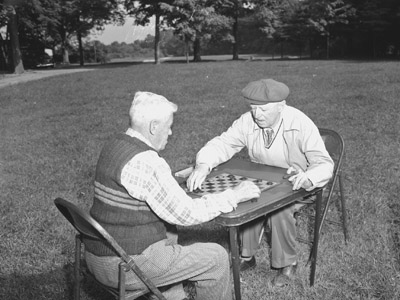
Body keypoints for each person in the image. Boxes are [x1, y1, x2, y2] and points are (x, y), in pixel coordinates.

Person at [84, 91, 261, 300]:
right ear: (153, 127)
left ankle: (174, 297)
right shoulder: (148, 161)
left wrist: (172, 180)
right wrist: (234, 195)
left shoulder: (115, 144)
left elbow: (140, 189)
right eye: (168, 127)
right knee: (217, 257)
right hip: (123, 267)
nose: (170, 133)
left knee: (169, 231)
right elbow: (187, 214)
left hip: (96, 254)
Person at [187, 78, 334, 287]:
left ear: (281, 106)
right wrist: (203, 164)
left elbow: (324, 163)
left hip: (299, 184)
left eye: (263, 110)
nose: (257, 115)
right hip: (264, 180)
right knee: (246, 196)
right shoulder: (248, 120)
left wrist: (309, 176)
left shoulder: (300, 123)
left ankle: (287, 264)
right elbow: (223, 143)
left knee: (279, 209)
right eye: (253, 108)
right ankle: (247, 257)